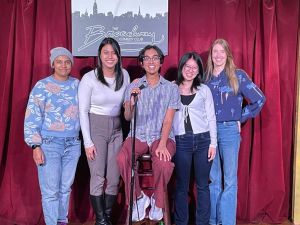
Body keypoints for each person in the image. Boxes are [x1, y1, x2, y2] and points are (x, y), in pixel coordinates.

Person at [116, 45, 180, 222]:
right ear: (142, 63)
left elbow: (168, 121)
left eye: (155, 57)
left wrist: (161, 144)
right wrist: (131, 103)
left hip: (161, 136)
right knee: (122, 158)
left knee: (164, 163)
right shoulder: (134, 85)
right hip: (137, 134)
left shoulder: (170, 88)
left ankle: (158, 202)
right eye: (147, 58)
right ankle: (138, 197)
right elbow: (128, 118)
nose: (151, 61)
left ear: (160, 62)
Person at [205, 39, 266, 225]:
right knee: (213, 180)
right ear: (211, 55)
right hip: (209, 133)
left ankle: (228, 222)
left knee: (230, 180)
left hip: (230, 131)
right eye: (215, 51)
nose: (218, 55)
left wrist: (241, 117)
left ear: (228, 54)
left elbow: (260, 99)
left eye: (222, 51)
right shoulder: (205, 78)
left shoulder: (237, 76)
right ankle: (214, 221)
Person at [24, 47, 81, 225]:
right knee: (50, 191)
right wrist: (35, 146)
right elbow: (32, 116)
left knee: (65, 189)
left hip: (73, 144)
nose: (63, 65)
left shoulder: (78, 85)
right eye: (59, 61)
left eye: (67, 61)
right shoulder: (42, 86)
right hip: (49, 144)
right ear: (53, 64)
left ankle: (61, 221)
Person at [78, 37, 130, 225]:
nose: (110, 56)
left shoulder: (124, 75)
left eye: (114, 52)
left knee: (115, 176)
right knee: (98, 175)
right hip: (95, 127)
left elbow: (126, 106)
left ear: (118, 55)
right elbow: (82, 111)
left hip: (116, 129)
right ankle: (100, 220)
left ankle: (106, 217)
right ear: (99, 55)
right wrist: (88, 142)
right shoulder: (89, 78)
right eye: (106, 52)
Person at [173, 52, 217, 225]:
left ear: (198, 70)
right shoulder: (172, 87)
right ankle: (181, 222)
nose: (190, 70)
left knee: (202, 186)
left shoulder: (204, 90)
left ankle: (202, 222)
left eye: (194, 67)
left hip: (203, 141)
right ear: (181, 67)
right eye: (187, 66)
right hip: (181, 142)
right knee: (181, 186)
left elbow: (211, 117)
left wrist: (213, 143)